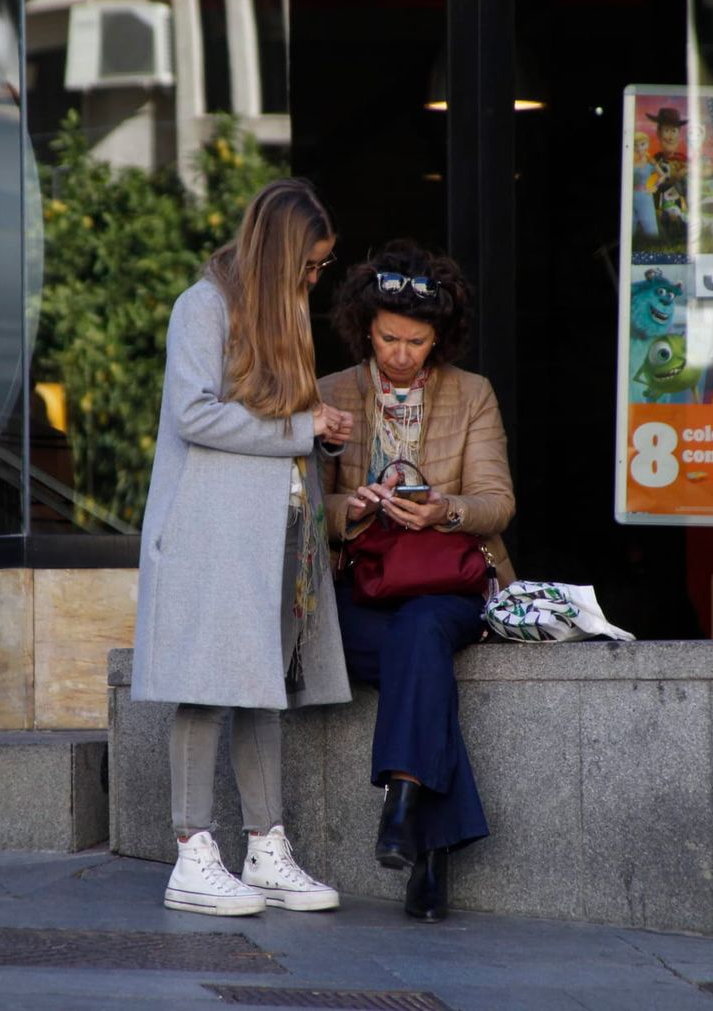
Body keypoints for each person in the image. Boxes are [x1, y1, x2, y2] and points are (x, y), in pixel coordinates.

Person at [133, 178, 357, 917]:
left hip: (273, 528)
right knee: (204, 686)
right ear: (284, 253)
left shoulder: (282, 312)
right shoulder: (203, 307)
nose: (315, 278)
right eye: (311, 264)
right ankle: (191, 851)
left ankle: (265, 847)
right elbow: (195, 415)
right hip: (208, 531)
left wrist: (317, 422)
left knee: (264, 685)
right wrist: (303, 429)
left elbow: (269, 416)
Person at [318, 241, 516, 923]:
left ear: (441, 338)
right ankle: (424, 843)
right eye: (388, 337)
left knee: (424, 627)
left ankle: (403, 805)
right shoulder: (331, 394)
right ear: (364, 326)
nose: (401, 353)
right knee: (415, 649)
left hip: (447, 583)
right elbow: (301, 508)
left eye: (417, 341)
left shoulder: (473, 392)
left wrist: (444, 509)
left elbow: (498, 502)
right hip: (362, 588)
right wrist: (352, 508)